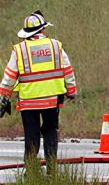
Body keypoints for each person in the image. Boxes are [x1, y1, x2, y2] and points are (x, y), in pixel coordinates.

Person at [0, 11, 77, 164]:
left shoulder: (19, 50)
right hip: (51, 100)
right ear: (42, 30)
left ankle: (30, 172)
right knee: (50, 132)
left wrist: (4, 98)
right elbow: (67, 70)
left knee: (31, 135)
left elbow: (9, 78)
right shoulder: (55, 46)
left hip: (28, 102)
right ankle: (51, 170)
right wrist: (71, 91)